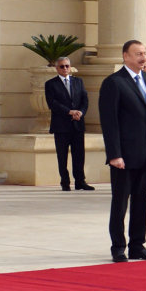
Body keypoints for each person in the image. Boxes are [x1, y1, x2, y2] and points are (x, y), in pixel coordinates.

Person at [98, 40, 146, 262]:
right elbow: (110, 123)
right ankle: (118, 247)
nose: (143, 57)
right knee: (120, 202)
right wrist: (114, 154)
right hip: (124, 156)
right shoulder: (114, 83)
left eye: (144, 53)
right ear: (125, 56)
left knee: (141, 201)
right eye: (137, 53)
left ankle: (138, 245)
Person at [45, 56, 92, 191]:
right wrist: (69, 111)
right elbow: (52, 103)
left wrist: (81, 112)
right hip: (61, 126)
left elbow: (85, 100)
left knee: (79, 155)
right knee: (62, 156)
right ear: (57, 68)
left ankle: (80, 181)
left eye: (67, 66)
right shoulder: (51, 84)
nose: (65, 68)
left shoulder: (78, 81)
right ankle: (65, 182)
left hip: (77, 125)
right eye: (62, 66)